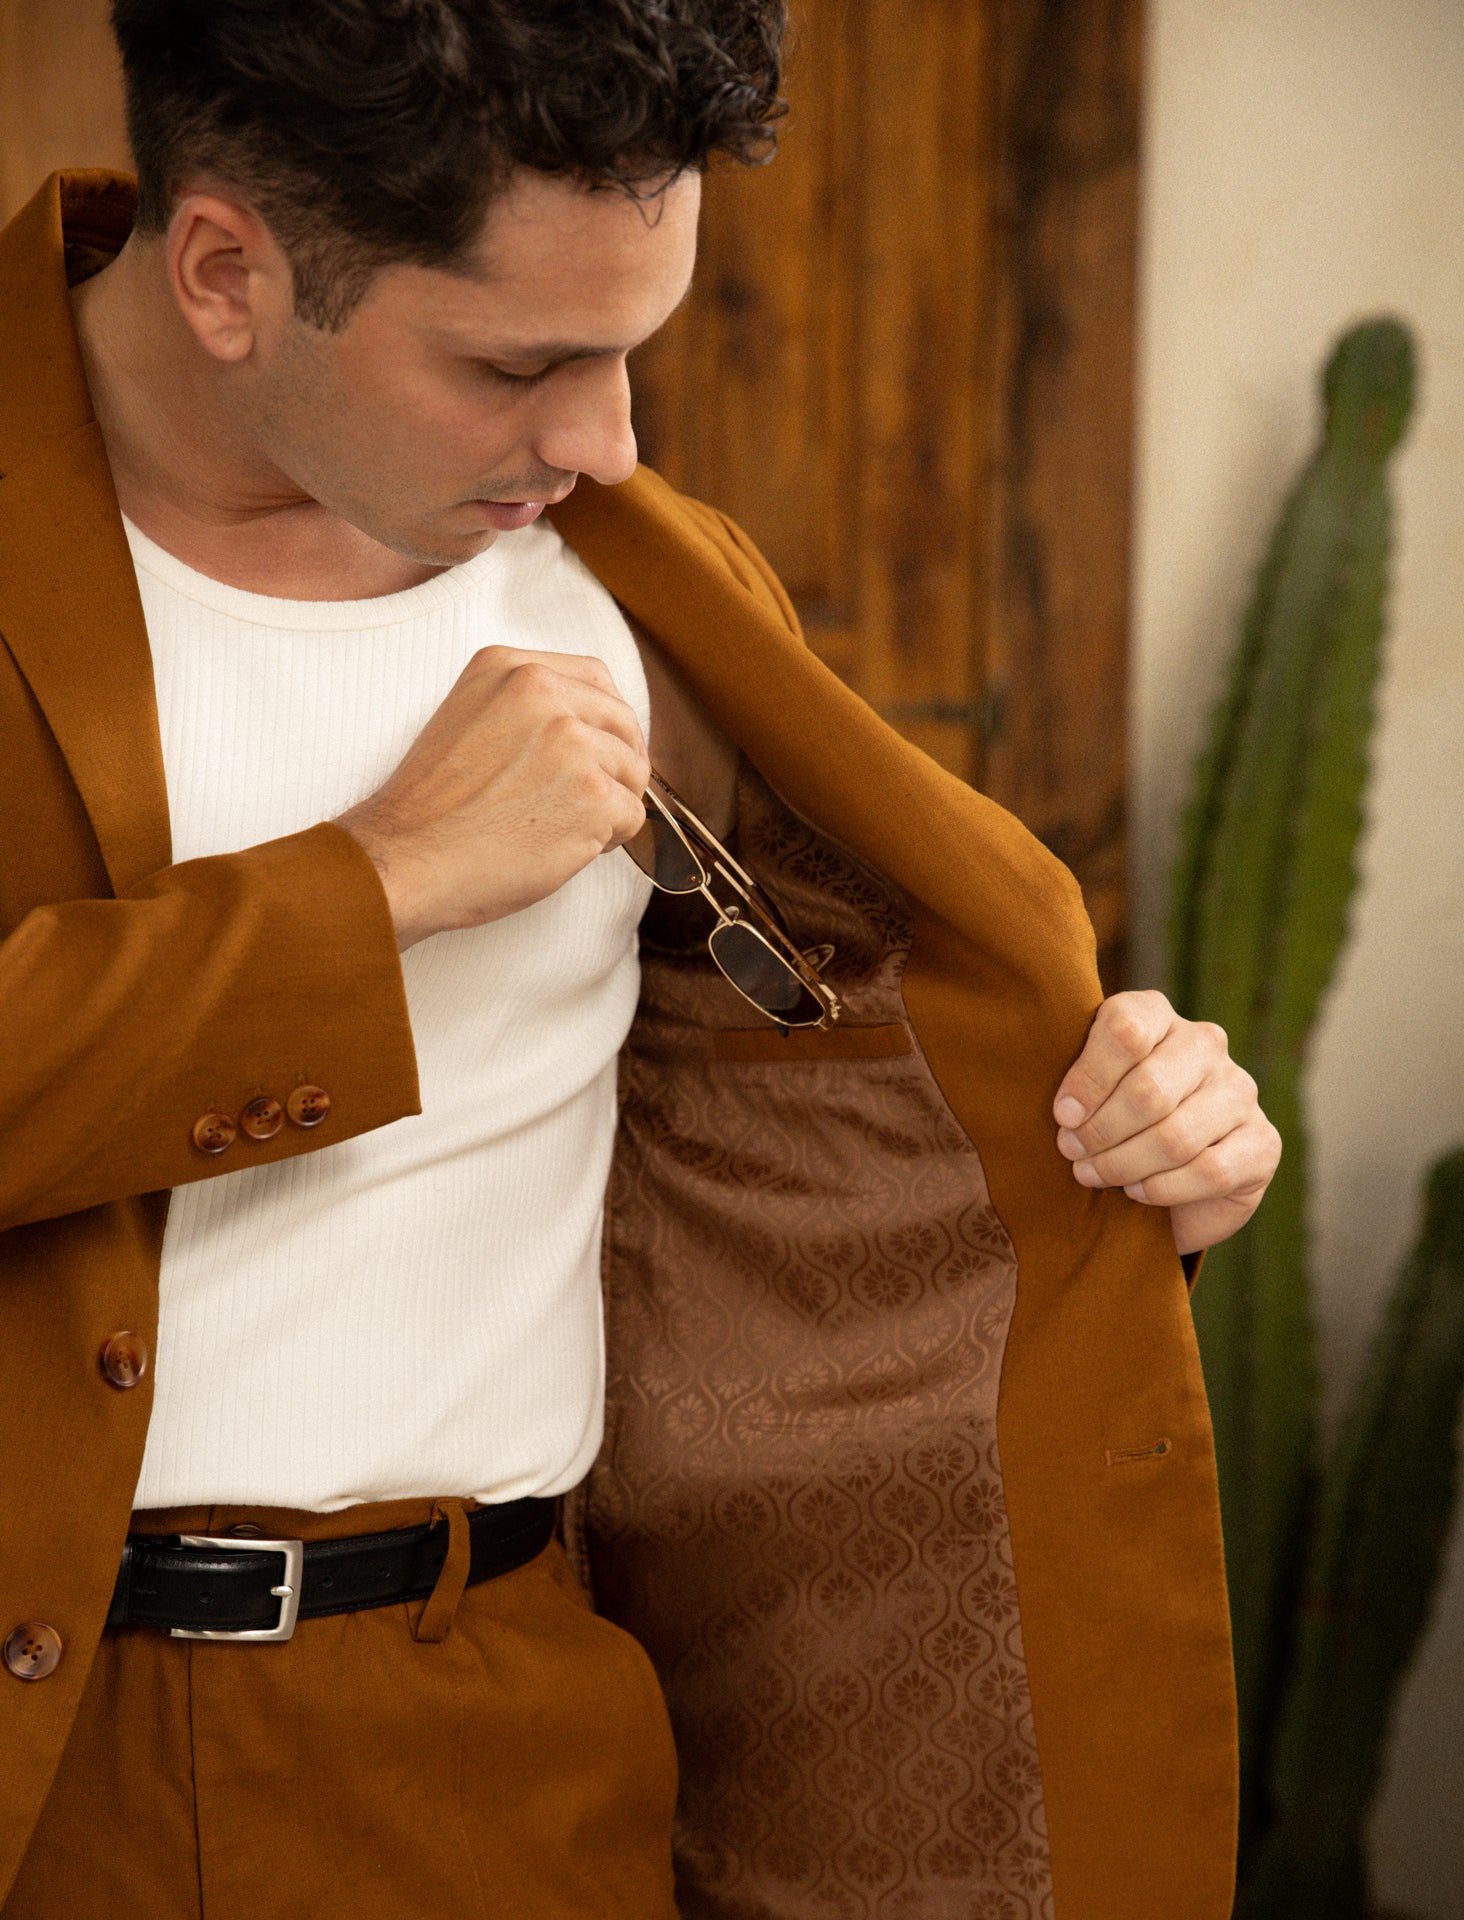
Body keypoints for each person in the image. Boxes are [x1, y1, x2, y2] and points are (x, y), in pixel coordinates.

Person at [0, 3, 1280, 1916]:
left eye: (633, 347)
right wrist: (379, 885)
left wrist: (1129, 1143)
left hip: (511, 1765)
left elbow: (830, 1125)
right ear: (224, 275)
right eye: (521, 360)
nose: (606, 438)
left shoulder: (649, 595)